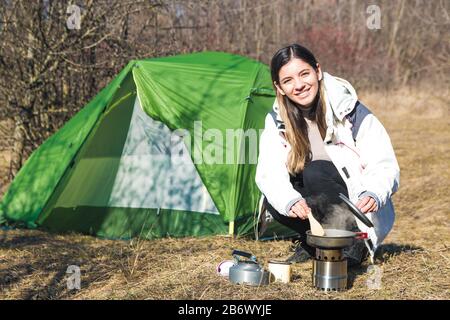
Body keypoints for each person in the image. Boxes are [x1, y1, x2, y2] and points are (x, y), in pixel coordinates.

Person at [255, 44, 400, 265]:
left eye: (304, 74)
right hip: (318, 195)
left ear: (318, 71)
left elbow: (383, 162)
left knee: (315, 170)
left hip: (353, 200)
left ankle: (354, 244)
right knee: (276, 198)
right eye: (288, 80)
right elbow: (268, 171)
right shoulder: (276, 120)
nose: (299, 85)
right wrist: (290, 201)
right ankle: (313, 241)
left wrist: (373, 192)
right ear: (280, 87)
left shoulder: (349, 109)